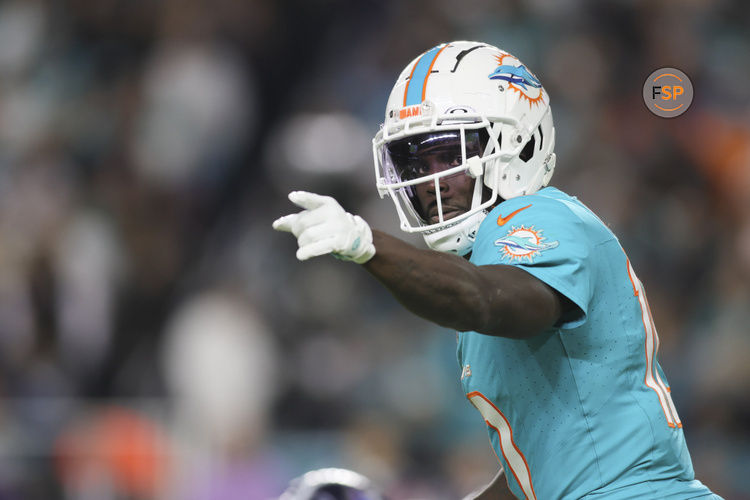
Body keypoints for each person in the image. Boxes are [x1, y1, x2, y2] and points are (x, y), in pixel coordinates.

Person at [273, 41, 720, 499]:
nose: (432, 181)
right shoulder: (482, 268)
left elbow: (489, 299)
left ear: (517, 143)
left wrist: (367, 245)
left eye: (449, 154)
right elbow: (535, 477)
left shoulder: (541, 215)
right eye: (415, 161)